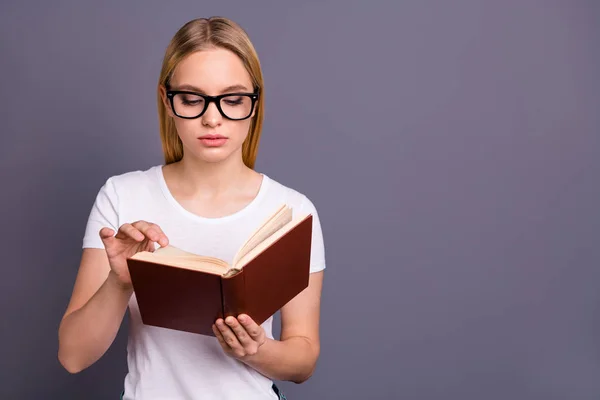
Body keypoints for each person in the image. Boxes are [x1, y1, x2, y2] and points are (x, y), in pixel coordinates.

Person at [57, 16, 326, 400]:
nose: (212, 118)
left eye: (232, 99)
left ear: (254, 103)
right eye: (192, 99)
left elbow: (303, 360)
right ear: (167, 101)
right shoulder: (122, 196)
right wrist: (118, 282)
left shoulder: (293, 210)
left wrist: (257, 350)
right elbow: (73, 356)